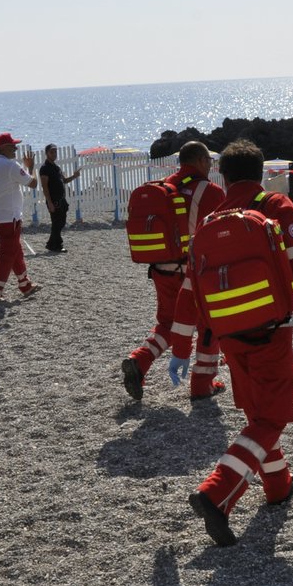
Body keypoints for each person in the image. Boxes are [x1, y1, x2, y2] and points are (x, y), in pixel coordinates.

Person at [167, 139, 293, 547]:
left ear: (222, 175)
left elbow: (190, 290)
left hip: (228, 336)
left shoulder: (209, 222)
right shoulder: (276, 205)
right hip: (273, 329)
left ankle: (278, 485)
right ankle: (216, 493)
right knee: (271, 419)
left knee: (258, 411)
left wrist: (181, 348)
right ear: (261, 174)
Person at [122, 141, 225, 402]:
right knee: (207, 324)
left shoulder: (164, 186)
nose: (211, 165)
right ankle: (203, 383)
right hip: (192, 272)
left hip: (160, 268)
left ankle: (140, 361)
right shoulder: (211, 192)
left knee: (168, 323)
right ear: (201, 161)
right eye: (209, 161)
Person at [0, 133, 39, 303]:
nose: (16, 149)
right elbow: (33, 183)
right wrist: (30, 167)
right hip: (10, 217)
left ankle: (25, 284)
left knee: (14, 251)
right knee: (7, 254)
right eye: (12, 146)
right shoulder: (11, 166)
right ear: (3, 148)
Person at [37, 144, 79, 253]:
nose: (54, 154)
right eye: (52, 152)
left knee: (61, 222)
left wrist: (74, 176)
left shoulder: (56, 167)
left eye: (55, 152)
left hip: (61, 199)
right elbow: (44, 186)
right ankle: (56, 245)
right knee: (57, 223)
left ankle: (52, 244)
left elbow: (63, 181)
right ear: (46, 153)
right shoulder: (44, 168)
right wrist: (49, 202)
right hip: (54, 200)